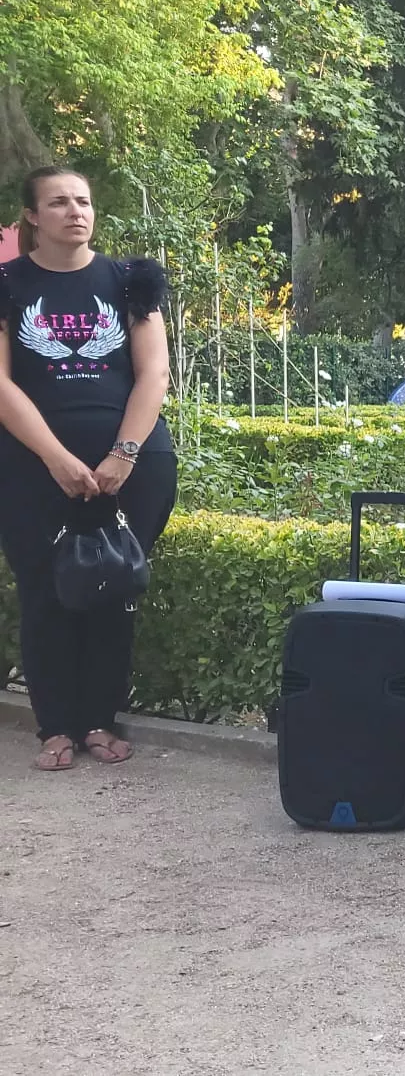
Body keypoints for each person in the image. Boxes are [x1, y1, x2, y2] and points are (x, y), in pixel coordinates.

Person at [0, 167, 178, 771]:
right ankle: (56, 728)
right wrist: (55, 458)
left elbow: (154, 373)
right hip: (29, 466)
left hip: (133, 465)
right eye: (58, 202)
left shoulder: (130, 281)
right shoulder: (6, 284)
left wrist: (122, 456)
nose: (75, 211)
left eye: (83, 201)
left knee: (115, 588)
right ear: (32, 216)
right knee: (43, 592)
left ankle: (100, 722)